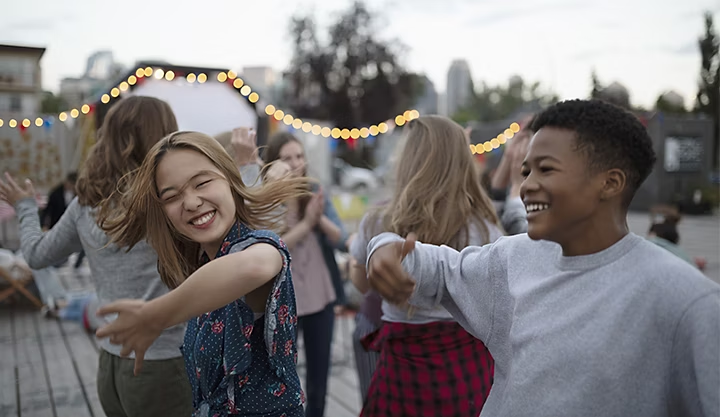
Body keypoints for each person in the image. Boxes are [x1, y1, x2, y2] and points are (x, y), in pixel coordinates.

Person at [365, 99, 720, 417]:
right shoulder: (512, 259)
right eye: (526, 171)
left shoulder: (686, 301)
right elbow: (439, 268)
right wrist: (384, 247)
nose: (529, 185)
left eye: (546, 169)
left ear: (610, 183)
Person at [0, 96, 194, 417]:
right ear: (163, 137)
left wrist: (24, 207)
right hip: (164, 362)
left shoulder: (85, 206)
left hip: (110, 364)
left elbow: (35, 255)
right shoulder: (168, 201)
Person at [95, 132, 310, 417]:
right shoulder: (200, 264)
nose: (192, 202)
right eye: (172, 196)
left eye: (203, 182)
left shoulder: (262, 245)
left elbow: (254, 266)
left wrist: (155, 315)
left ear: (231, 179)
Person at [349, 116, 504, 416]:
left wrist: (359, 263)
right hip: (466, 374)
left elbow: (363, 285)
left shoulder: (377, 221)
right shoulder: (486, 229)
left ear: (408, 161)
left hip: (403, 374)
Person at [262, 132, 349, 417]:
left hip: (320, 295)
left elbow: (341, 238)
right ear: (273, 163)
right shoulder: (266, 199)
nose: (295, 164)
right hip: (284, 301)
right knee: (281, 375)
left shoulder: (315, 190)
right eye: (286, 158)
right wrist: (305, 219)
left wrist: (318, 216)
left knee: (319, 378)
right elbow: (276, 246)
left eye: (299, 156)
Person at [41, 172, 85, 268]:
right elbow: (47, 211)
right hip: (57, 223)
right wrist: (44, 225)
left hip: (74, 226)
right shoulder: (56, 193)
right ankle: (57, 263)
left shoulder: (79, 194)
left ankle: (77, 264)